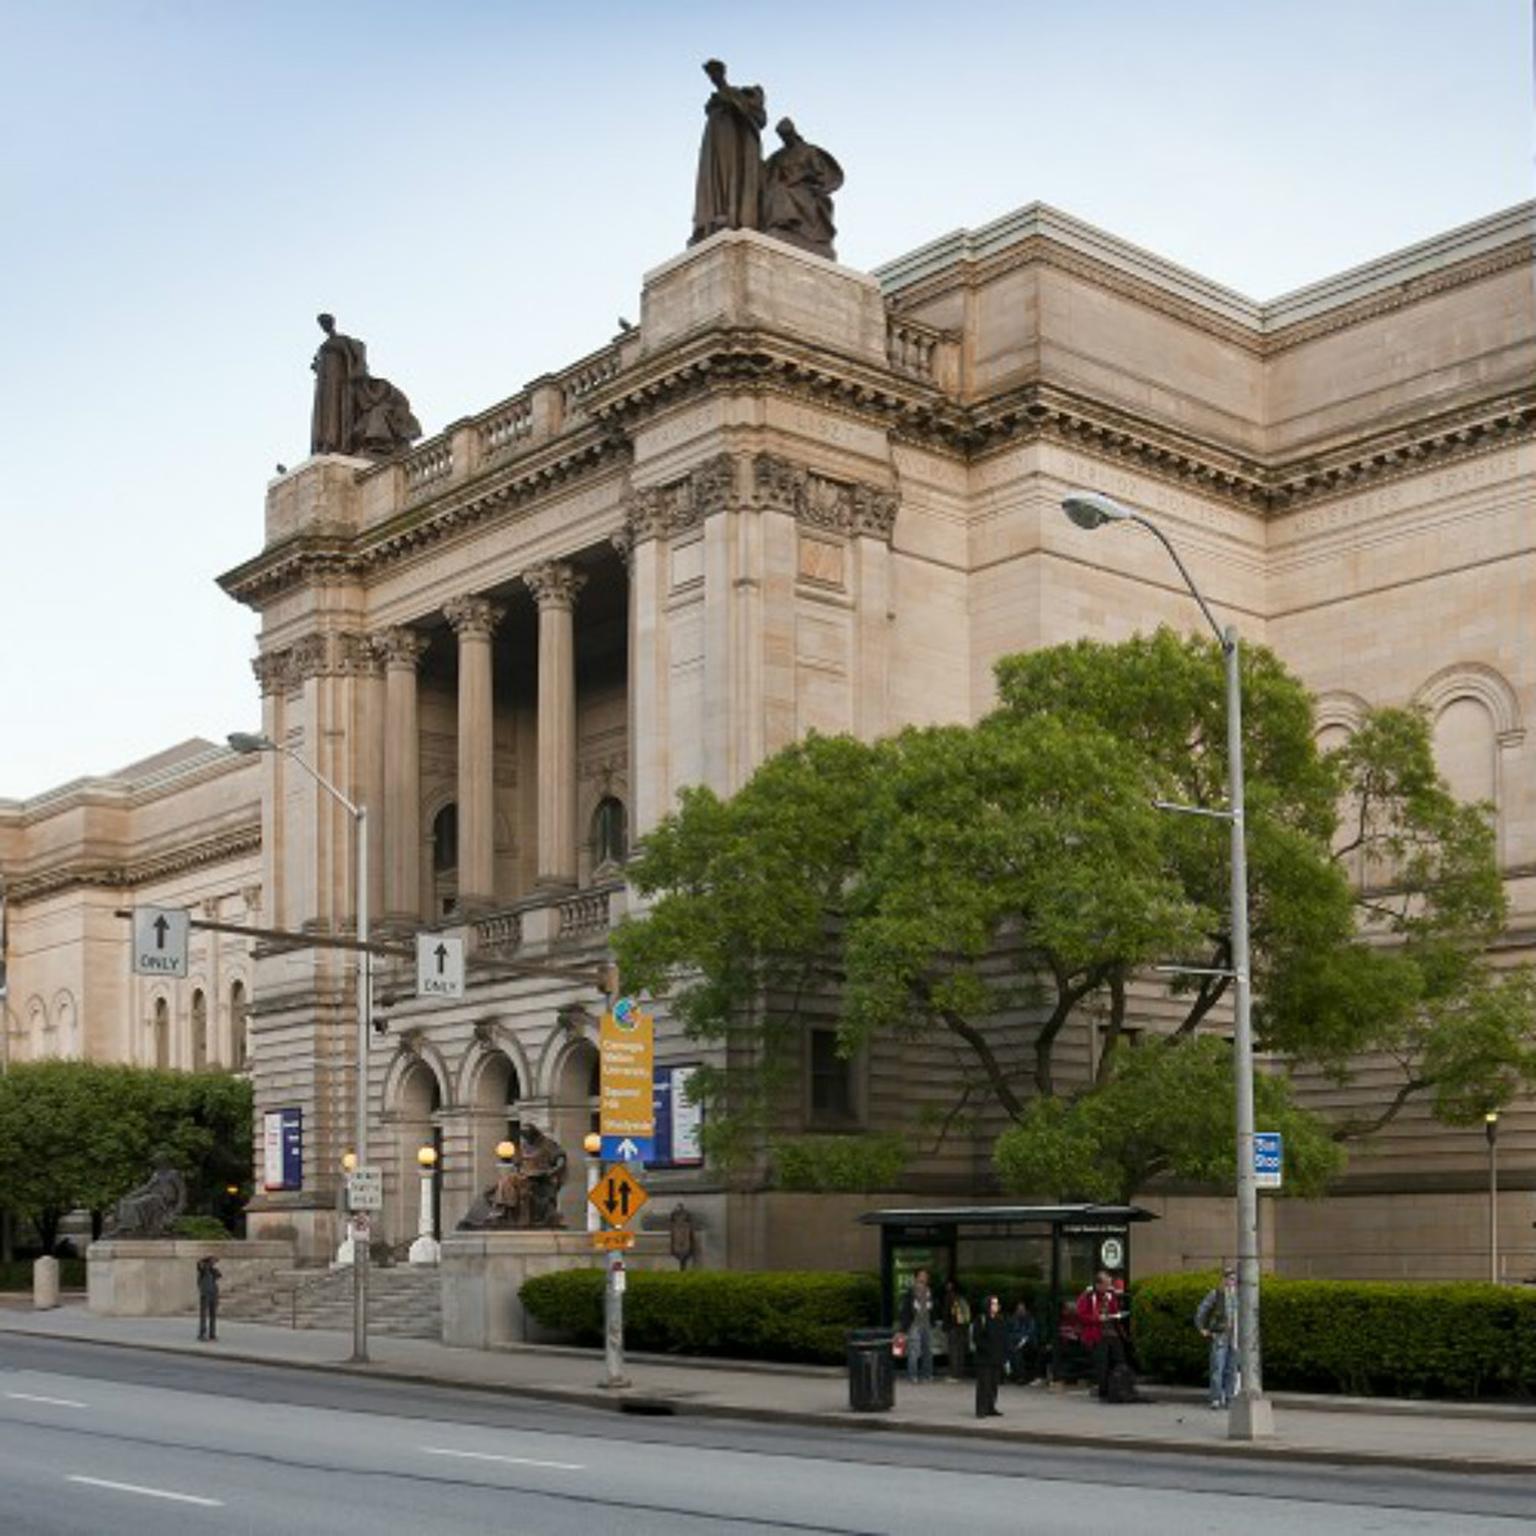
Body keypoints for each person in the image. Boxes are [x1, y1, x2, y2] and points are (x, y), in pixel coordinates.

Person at [690, 59, 767, 245]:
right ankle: (711, 220)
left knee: (730, 175)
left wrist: (722, 84)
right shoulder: (718, 109)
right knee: (713, 177)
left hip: (734, 144)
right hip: (716, 140)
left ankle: (729, 216)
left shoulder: (742, 105)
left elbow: (753, 113)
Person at [760, 118, 844, 260]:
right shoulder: (779, 156)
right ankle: (782, 225)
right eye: (783, 137)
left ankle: (788, 223)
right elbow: (770, 174)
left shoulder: (809, 151)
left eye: (788, 135)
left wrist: (800, 176)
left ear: (793, 133)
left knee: (782, 192)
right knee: (776, 190)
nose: (786, 139)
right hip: (785, 186)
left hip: (806, 189)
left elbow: (818, 174)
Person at [1075, 1270, 1132, 1401]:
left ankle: (1119, 1388)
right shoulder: (1087, 1296)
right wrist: (1098, 1319)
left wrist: (1117, 1316)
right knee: (1102, 1362)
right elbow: (1081, 1316)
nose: (1108, 1287)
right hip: (1097, 1333)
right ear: (1098, 1284)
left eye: (1109, 1284)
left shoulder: (1110, 1295)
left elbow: (1114, 1311)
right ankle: (1104, 1391)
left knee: (1119, 1359)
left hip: (1112, 1331)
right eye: (1106, 1284)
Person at [1196, 1264, 1240, 1409]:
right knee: (1217, 1367)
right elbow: (1202, 1309)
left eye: (1233, 1278)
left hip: (1235, 1337)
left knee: (1231, 1369)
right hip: (1220, 1335)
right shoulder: (1216, 1293)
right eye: (1228, 1278)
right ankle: (1215, 1398)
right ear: (1223, 1279)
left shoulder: (1239, 1295)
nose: (1231, 1281)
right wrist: (1201, 1328)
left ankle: (1229, 1397)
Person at [971, 1294, 1010, 1418]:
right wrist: (988, 1349)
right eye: (993, 1303)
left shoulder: (1000, 1319)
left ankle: (990, 1407)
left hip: (996, 1358)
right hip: (985, 1358)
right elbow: (977, 1338)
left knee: (994, 1384)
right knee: (984, 1384)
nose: (996, 1306)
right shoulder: (981, 1319)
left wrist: (1004, 1355)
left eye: (997, 1304)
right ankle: (980, 1409)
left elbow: (1003, 1338)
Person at [898, 1267, 935, 1384]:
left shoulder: (929, 1291)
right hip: (914, 1325)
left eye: (926, 1275)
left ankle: (927, 1374)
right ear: (916, 1277)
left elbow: (933, 1307)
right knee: (914, 1351)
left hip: (927, 1324)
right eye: (922, 1275)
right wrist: (904, 1328)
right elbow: (905, 1310)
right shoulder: (911, 1292)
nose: (924, 1278)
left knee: (927, 1350)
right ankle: (912, 1375)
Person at [943, 1279, 972, 1381]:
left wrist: (945, 1326)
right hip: (962, 1327)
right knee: (960, 1351)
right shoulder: (962, 1298)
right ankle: (960, 1372)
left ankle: (954, 1374)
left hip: (953, 1327)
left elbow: (947, 1313)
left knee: (953, 1351)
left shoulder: (949, 1297)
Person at [1006, 1299, 1039, 1384]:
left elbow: (1030, 1333)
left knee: (1017, 1352)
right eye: (1018, 1309)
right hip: (1014, 1342)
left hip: (1028, 1343)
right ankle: (1014, 1374)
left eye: (1022, 1309)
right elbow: (1008, 1332)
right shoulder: (1012, 1319)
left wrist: (1021, 1341)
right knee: (1011, 1350)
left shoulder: (1030, 1319)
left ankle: (1020, 1376)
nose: (1020, 1311)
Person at [196, 1256, 222, 1342]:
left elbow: (219, 1275)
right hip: (205, 1294)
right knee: (204, 1315)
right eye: (212, 1261)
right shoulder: (203, 1270)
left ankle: (212, 1334)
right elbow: (199, 1264)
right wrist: (205, 1261)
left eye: (214, 1262)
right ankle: (202, 1333)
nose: (214, 1263)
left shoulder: (213, 1271)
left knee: (213, 1315)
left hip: (213, 1294)